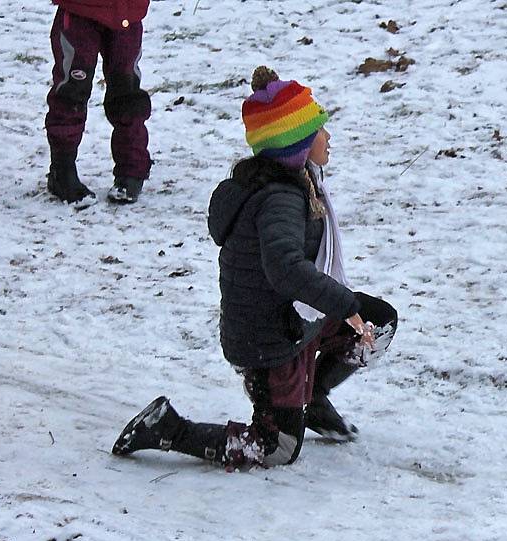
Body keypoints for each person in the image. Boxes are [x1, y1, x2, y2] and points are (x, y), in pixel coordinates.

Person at [111, 66, 398, 470]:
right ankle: (166, 428)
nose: (328, 137)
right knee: (276, 447)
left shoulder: (297, 177)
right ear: (297, 145)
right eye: (319, 130)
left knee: (380, 322)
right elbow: (285, 268)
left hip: (298, 318)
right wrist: (344, 305)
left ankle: (312, 397)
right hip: (270, 341)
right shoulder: (281, 197)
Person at [44, 0, 152, 206]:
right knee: (72, 90)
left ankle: (132, 170)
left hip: (128, 12)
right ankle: (62, 169)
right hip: (79, 11)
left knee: (127, 90)